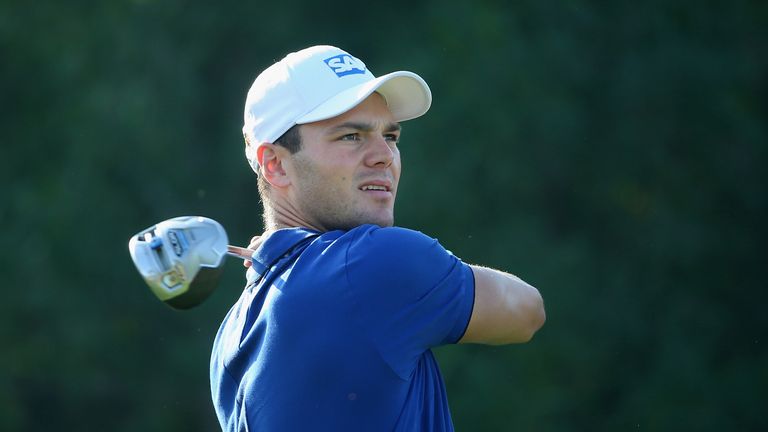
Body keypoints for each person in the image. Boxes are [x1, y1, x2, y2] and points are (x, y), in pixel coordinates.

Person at [209, 45, 545, 431]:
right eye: (351, 136)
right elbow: (527, 311)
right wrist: (435, 274)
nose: (384, 155)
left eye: (391, 136)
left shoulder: (231, 332)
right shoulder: (374, 263)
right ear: (275, 165)